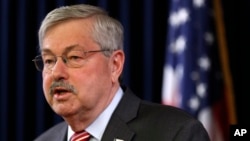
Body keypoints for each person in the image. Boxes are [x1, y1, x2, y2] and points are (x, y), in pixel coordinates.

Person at [33, 4, 210, 141]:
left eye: (73, 57)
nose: (56, 72)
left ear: (115, 64)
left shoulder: (176, 133)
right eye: (49, 60)